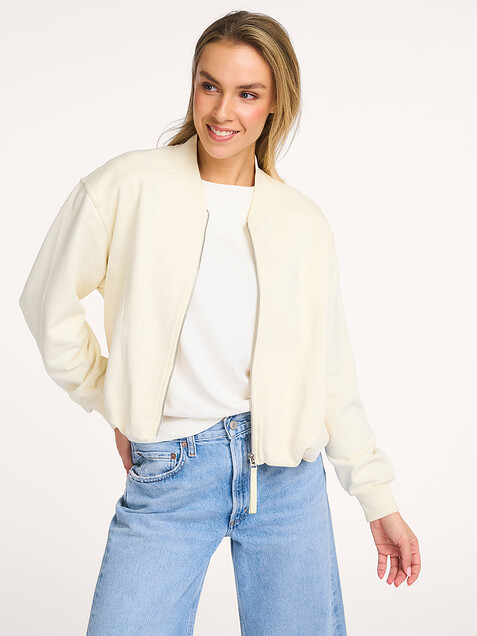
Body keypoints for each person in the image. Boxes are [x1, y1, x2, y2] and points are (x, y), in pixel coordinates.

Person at [19, 9, 421, 635]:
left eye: (247, 93)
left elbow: (331, 376)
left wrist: (378, 499)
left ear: (276, 103)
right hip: (172, 470)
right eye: (210, 85)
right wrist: (113, 400)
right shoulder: (127, 187)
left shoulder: (302, 222)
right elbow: (47, 305)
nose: (222, 111)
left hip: (287, 484)